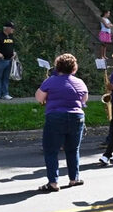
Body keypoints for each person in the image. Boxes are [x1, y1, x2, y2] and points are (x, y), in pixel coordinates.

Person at [36, 54, 88, 192]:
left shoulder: (50, 81)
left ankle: (53, 183)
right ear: (74, 68)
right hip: (77, 117)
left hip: (56, 117)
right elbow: (84, 99)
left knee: (51, 151)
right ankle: (74, 179)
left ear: (57, 67)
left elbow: (39, 97)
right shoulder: (80, 82)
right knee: (73, 149)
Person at [0, 21, 16, 101]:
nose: (13, 30)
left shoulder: (11, 37)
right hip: (0, 60)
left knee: (6, 78)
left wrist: (13, 53)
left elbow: (11, 46)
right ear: (7, 28)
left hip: (9, 60)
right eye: (12, 28)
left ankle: (5, 94)